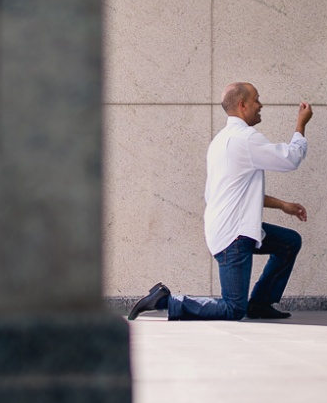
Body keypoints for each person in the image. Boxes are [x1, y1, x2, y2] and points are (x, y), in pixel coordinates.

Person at [128, 82, 312, 321]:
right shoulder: (245, 139)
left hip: (232, 226)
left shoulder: (221, 140)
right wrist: (301, 124)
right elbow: (291, 158)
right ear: (243, 105)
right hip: (234, 235)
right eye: (257, 99)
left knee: (289, 242)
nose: (261, 105)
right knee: (233, 309)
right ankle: (165, 301)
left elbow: (239, 191)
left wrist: (283, 205)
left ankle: (261, 303)